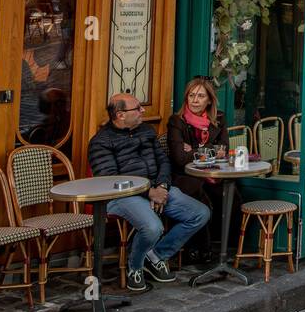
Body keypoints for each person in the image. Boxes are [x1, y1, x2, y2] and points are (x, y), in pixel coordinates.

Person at [90, 93, 211, 292]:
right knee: (153, 227)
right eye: (137, 108)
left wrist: (162, 186)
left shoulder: (146, 131)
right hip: (122, 196)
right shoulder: (101, 142)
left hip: (157, 188)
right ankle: (134, 267)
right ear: (120, 115)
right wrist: (149, 193)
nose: (143, 110)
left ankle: (155, 255)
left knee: (200, 213)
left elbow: (163, 161)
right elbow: (110, 180)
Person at [166, 76, 230, 264]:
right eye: (191, 95)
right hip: (183, 175)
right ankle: (200, 248)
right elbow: (179, 158)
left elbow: (224, 150)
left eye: (200, 96)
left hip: (212, 173)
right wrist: (210, 149)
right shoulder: (176, 121)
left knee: (231, 196)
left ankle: (221, 246)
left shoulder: (219, 119)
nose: (195, 100)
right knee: (198, 192)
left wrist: (195, 150)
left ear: (209, 100)